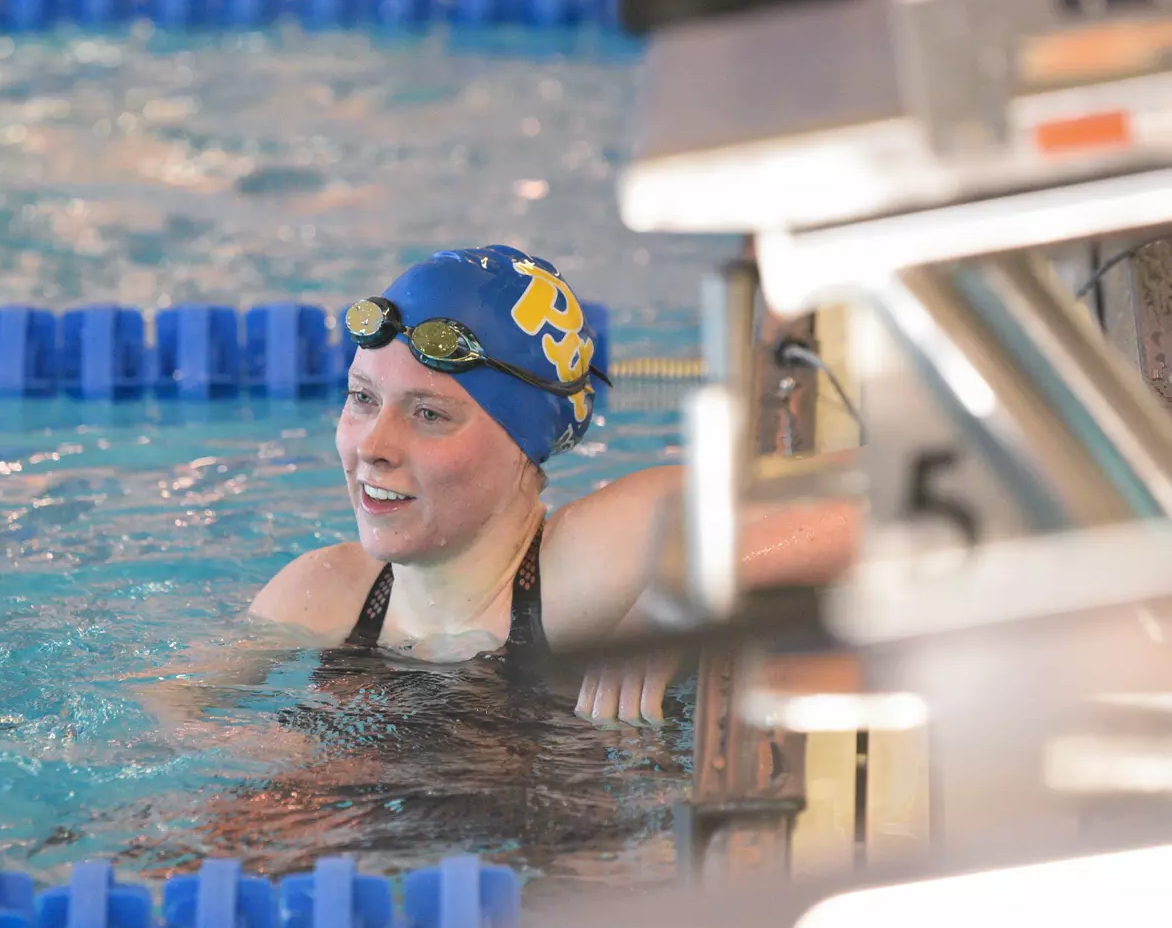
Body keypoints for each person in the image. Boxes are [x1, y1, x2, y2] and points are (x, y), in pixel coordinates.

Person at [247, 244, 862, 726]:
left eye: (428, 414)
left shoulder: (594, 559)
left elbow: (882, 499)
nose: (372, 448)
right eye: (362, 399)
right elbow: (177, 723)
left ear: (522, 445)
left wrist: (682, 598)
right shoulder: (320, 597)